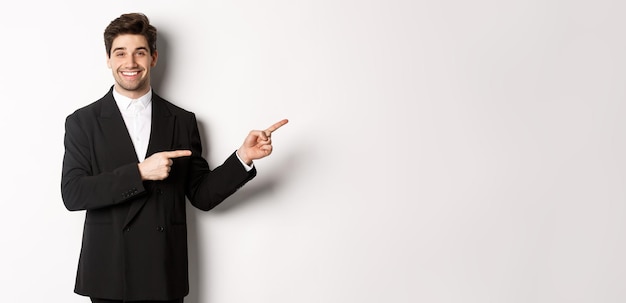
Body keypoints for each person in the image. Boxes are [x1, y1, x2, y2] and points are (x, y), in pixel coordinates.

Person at [61, 12, 288, 303]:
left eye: (139, 52)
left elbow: (202, 195)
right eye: (120, 53)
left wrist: (242, 157)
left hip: (163, 272)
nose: (130, 63)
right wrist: (140, 172)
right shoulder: (83, 122)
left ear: (153, 58)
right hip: (110, 274)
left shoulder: (181, 121)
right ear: (108, 59)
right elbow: (73, 193)